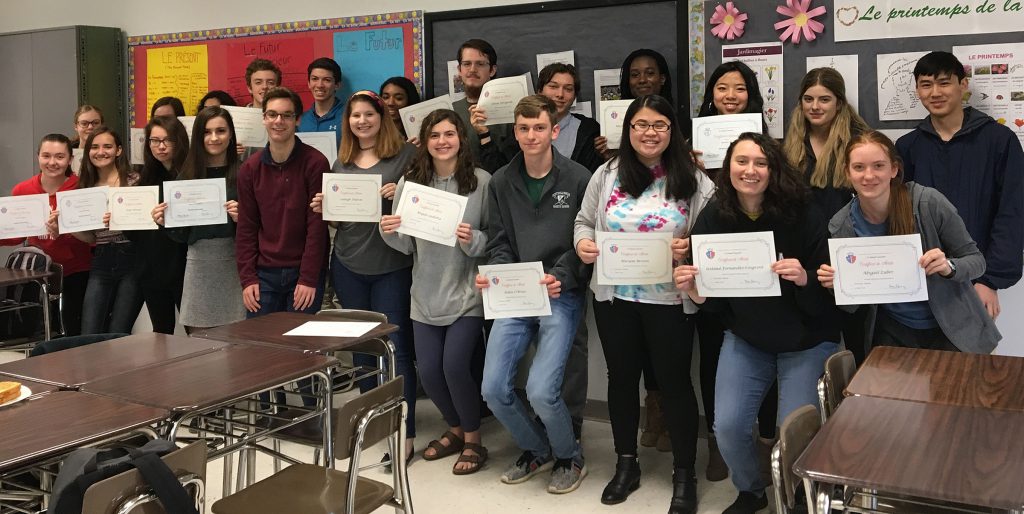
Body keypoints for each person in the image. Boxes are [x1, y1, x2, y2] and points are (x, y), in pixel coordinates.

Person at [673, 133, 839, 514]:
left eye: (761, 163)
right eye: (742, 161)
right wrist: (696, 293)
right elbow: (712, 297)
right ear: (728, 167)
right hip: (749, 338)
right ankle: (750, 490)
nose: (750, 170)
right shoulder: (714, 215)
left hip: (807, 340)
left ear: (774, 169)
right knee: (727, 427)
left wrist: (805, 277)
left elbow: (831, 289)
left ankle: (797, 497)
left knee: (790, 433)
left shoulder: (804, 212)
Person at [574, 94, 714, 513]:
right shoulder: (608, 172)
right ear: (628, 129)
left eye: (659, 125)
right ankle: (626, 464)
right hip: (616, 297)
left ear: (673, 131)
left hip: (671, 300)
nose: (649, 133)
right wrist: (582, 243)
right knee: (621, 380)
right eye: (640, 125)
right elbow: (583, 221)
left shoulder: (694, 178)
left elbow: (713, 240)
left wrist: (690, 247)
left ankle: (684, 475)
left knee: (674, 385)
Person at [477, 95, 591, 494]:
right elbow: (499, 239)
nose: (531, 135)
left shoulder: (578, 178)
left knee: (543, 391)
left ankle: (569, 456)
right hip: (517, 293)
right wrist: (499, 274)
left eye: (539, 127)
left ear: (553, 130)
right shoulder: (502, 182)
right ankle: (535, 448)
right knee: (492, 388)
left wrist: (563, 274)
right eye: (523, 128)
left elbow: (584, 239)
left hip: (561, 292)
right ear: (516, 131)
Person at [379, 109, 491, 475]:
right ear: (424, 143)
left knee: (455, 366)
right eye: (434, 136)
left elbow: (495, 239)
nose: (443, 141)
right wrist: (389, 230)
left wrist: (473, 239)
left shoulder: (482, 182)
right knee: (428, 372)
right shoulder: (412, 184)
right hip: (423, 295)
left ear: (461, 138)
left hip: (466, 294)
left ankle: (473, 440)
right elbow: (406, 246)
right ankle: (455, 429)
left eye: (449, 134)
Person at [818, 131, 1000, 353]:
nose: (868, 175)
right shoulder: (841, 224)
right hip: (894, 331)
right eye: (858, 167)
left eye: (878, 166)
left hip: (951, 328)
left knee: (952, 388)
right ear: (847, 173)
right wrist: (835, 285)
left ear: (894, 169)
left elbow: (977, 261)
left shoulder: (928, 203)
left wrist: (948, 267)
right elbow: (851, 306)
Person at [310, 90, 416, 459]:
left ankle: (403, 430)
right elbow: (341, 222)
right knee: (362, 353)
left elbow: (420, 209)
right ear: (348, 121)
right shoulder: (341, 163)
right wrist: (326, 208)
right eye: (355, 116)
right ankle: (370, 423)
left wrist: (398, 194)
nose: (362, 121)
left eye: (369, 114)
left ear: (381, 117)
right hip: (348, 265)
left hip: (391, 266)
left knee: (396, 350)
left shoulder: (406, 156)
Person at [896, 50, 1024, 321]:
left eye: (944, 82)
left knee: (967, 362)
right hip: (922, 281)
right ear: (917, 89)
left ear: (962, 85)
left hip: (978, 282)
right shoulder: (908, 147)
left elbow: (1013, 212)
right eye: (926, 84)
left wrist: (990, 279)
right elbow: (900, 215)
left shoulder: (999, 141)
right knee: (916, 363)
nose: (935, 92)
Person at [690, 60, 772, 482]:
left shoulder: (763, 143)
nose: (730, 96)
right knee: (711, 355)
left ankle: (765, 442)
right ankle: (718, 444)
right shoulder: (694, 143)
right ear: (712, 94)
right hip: (713, 263)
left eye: (739, 89)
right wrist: (696, 165)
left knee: (765, 346)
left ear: (751, 95)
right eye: (722, 88)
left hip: (755, 267)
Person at [782, 67, 871, 362]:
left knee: (860, 344)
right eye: (808, 99)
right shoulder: (791, 143)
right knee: (815, 345)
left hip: (851, 255)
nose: (815, 107)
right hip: (807, 257)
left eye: (824, 99)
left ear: (839, 103)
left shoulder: (861, 142)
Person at [236, 86, 327, 319]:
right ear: (264, 118)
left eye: (287, 115)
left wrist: (308, 277)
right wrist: (248, 279)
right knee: (261, 349)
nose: (279, 121)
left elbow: (317, 227)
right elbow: (246, 227)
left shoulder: (315, 163)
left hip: (303, 273)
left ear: (298, 120)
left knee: (302, 348)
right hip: (263, 274)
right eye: (272, 115)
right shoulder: (250, 168)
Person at [152, 107, 245, 331]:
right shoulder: (185, 177)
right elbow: (181, 236)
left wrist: (245, 220)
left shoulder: (246, 173)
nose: (214, 138)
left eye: (221, 130)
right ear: (198, 136)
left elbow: (263, 228)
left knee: (241, 346)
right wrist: (165, 222)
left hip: (237, 264)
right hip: (199, 264)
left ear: (231, 134)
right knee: (201, 344)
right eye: (207, 131)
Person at [48, 127, 144, 335]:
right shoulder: (84, 187)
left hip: (133, 258)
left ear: (118, 150)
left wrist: (122, 221)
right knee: (89, 330)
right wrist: (67, 227)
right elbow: (91, 237)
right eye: (95, 147)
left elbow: (146, 228)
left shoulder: (135, 181)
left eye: (107, 146)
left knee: (119, 330)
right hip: (101, 259)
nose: (101, 152)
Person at [2, 134, 92, 336]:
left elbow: (93, 238)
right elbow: (16, 236)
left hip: (77, 272)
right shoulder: (23, 190)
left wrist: (65, 231)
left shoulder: (81, 188)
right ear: (38, 157)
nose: (52, 162)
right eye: (46, 156)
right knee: (41, 331)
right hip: (39, 275)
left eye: (60, 157)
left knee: (73, 331)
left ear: (70, 160)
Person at [130, 116, 188, 334]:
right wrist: (119, 219)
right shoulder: (143, 179)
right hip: (152, 270)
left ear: (179, 140)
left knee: (199, 333)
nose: (160, 146)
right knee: (161, 334)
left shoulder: (191, 177)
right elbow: (137, 235)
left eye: (167, 140)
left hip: (184, 268)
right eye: (154, 140)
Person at [594, 49, 676, 158]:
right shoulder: (612, 122)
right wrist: (609, 155)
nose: (642, 80)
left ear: (662, 79)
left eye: (650, 73)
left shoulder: (680, 123)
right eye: (635, 75)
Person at [451, 39, 513, 171]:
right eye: (467, 64)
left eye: (480, 64)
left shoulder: (511, 112)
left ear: (492, 70)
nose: (472, 70)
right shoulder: (450, 110)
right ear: (459, 70)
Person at [298, 57, 344, 143]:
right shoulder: (301, 119)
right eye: (315, 79)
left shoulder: (348, 116)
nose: (319, 85)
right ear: (309, 83)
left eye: (327, 80)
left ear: (337, 85)